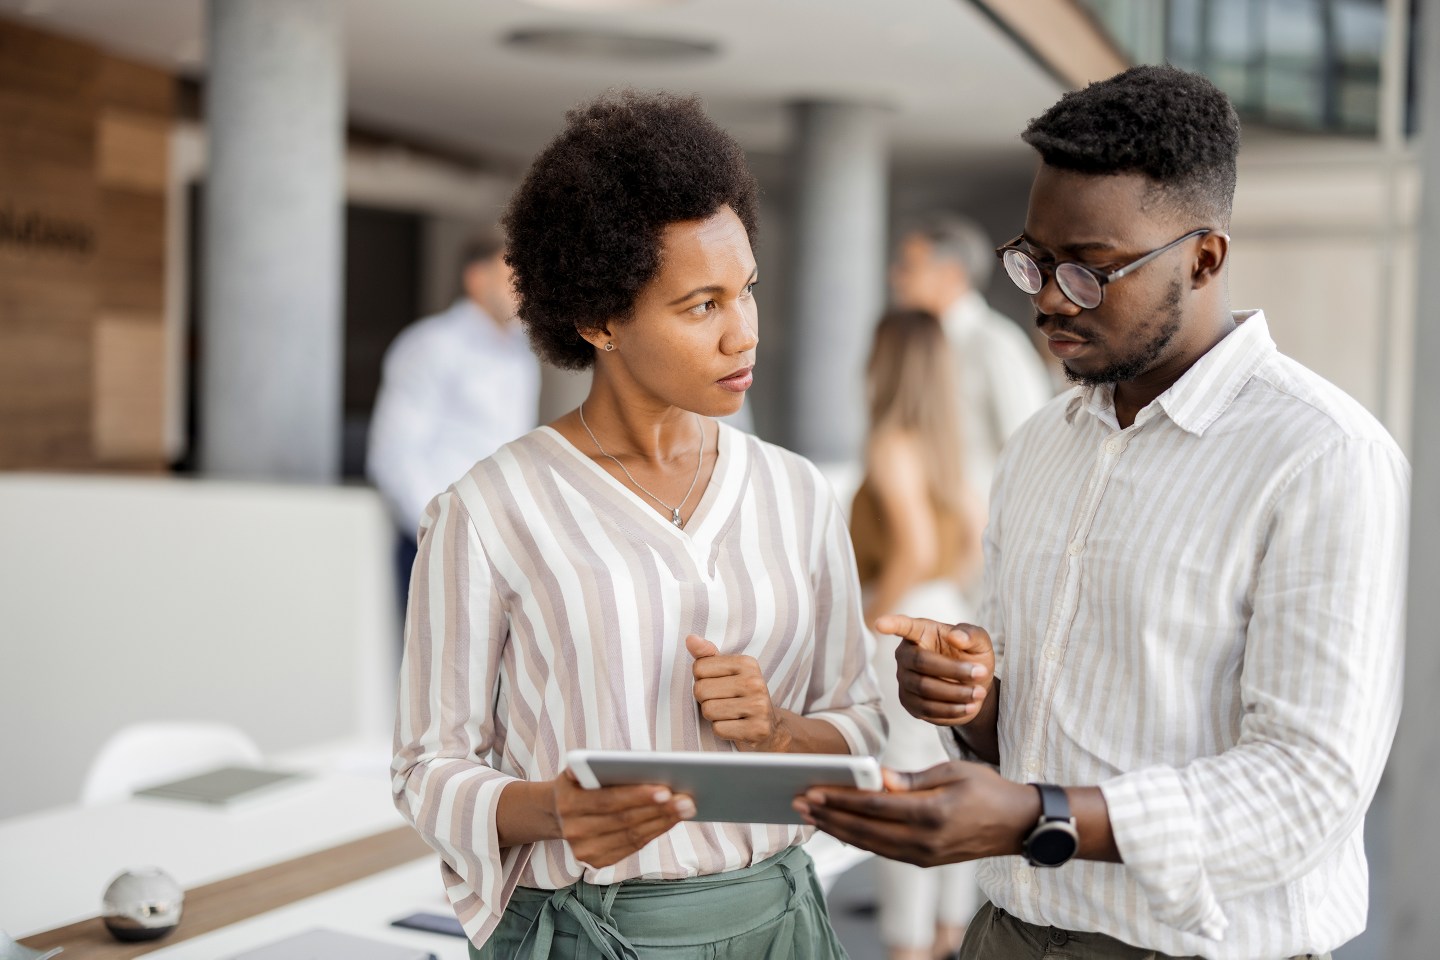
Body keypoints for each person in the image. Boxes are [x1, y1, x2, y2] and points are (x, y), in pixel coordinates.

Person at [796, 64, 1408, 960]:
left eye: (1090, 271)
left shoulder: (1324, 457)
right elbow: (1030, 734)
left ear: (1205, 258)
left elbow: (1307, 790)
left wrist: (1041, 817)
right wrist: (974, 700)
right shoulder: (1044, 442)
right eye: (1034, 261)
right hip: (1004, 933)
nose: (1047, 298)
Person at [390, 91, 884, 960]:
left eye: (747, 292)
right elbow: (426, 769)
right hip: (584, 932)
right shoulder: (489, 511)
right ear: (599, 319)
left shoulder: (797, 496)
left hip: (781, 926)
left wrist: (775, 732)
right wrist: (556, 808)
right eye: (702, 306)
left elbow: (859, 723)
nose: (745, 334)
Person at [849, 308, 985, 960]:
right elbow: (960, 549)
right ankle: (945, 935)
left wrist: (871, 615)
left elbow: (913, 544)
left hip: (903, 619)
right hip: (948, 610)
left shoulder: (891, 441)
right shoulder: (950, 446)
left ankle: (907, 948)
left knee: (900, 789)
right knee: (947, 775)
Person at [366, 234, 540, 607]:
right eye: (512, 272)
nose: (524, 286)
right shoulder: (433, 344)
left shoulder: (521, 356)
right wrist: (438, 534)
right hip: (439, 540)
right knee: (435, 663)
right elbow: (394, 454)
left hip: (502, 545)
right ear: (476, 278)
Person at [889, 213, 1053, 505]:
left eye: (909, 267)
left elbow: (1031, 449)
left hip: (981, 534)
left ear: (951, 274)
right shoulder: (916, 345)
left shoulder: (996, 345)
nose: (896, 277)